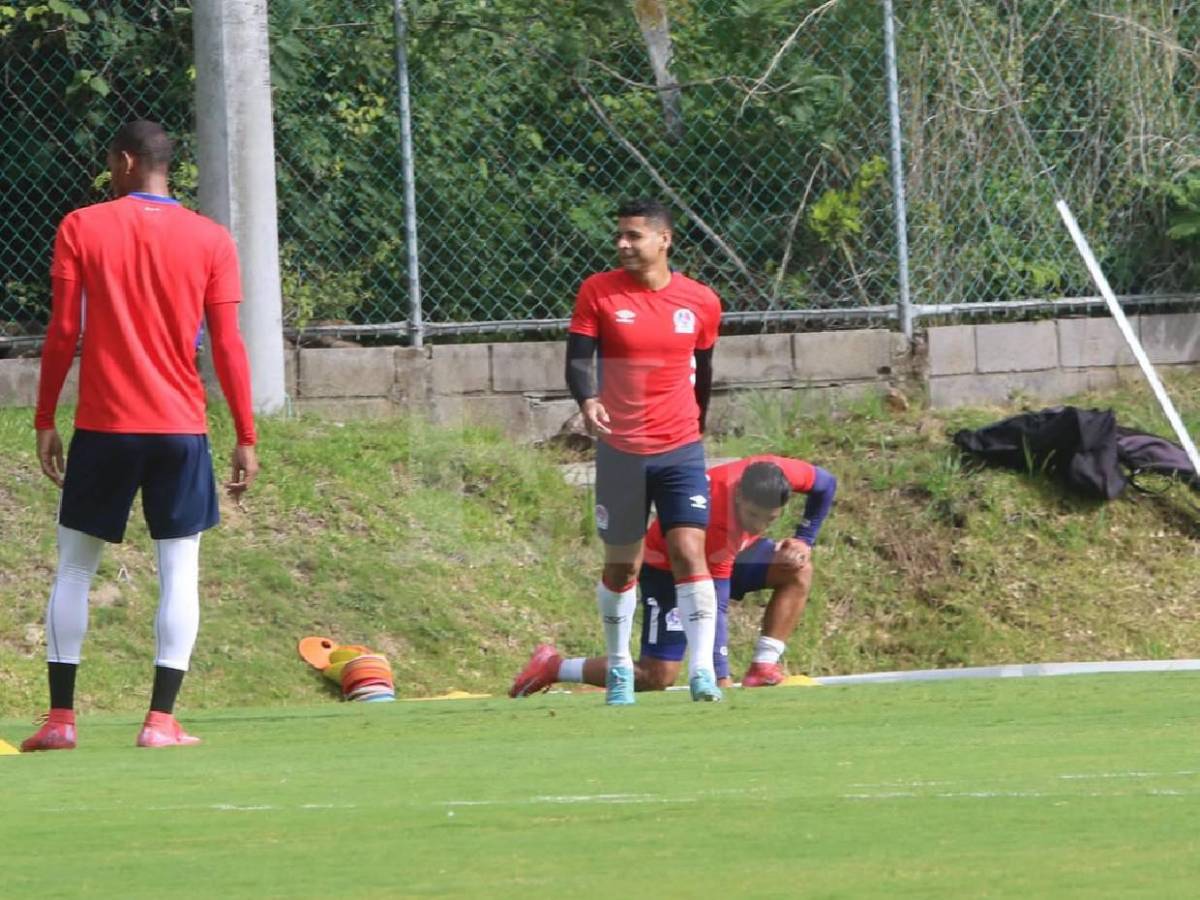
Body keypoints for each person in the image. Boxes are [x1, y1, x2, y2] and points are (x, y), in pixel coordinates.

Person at [20, 120, 259, 752]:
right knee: (179, 570)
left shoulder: (82, 226)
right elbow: (228, 346)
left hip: (104, 426)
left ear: (126, 161)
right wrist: (246, 432)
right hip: (181, 429)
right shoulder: (212, 239)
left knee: (74, 569)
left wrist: (45, 418)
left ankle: (60, 721)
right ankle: (160, 721)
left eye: (111, 161)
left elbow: (63, 332)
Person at [565, 198, 723, 704]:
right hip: (621, 453)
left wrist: (696, 426)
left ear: (664, 240)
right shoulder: (598, 291)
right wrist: (588, 400)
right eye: (620, 236)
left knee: (688, 550)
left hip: (680, 449)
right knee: (623, 566)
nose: (623, 245)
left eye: (633, 236)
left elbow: (705, 370)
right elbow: (577, 359)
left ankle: (701, 671)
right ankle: (618, 669)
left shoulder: (700, 301)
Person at [509, 455, 836, 695]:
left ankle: (763, 666)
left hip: (731, 559)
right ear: (739, 498)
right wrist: (718, 676)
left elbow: (826, 484)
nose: (760, 526)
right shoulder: (719, 517)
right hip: (670, 569)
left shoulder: (781, 475)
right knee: (657, 676)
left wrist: (804, 539)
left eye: (770, 519)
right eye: (753, 515)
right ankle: (554, 666)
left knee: (798, 568)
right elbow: (714, 603)